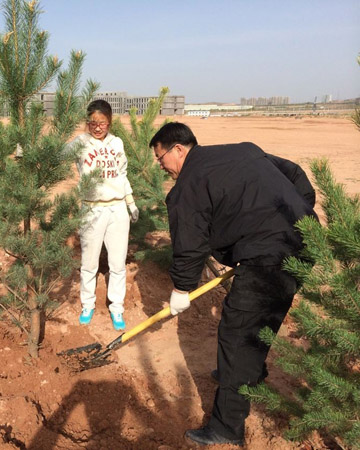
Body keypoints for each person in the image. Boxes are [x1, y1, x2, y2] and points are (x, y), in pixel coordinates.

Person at [149, 122, 317, 446]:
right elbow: (294, 174)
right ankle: (247, 376)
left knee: (237, 332)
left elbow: (189, 243)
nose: (161, 167)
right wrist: (302, 215)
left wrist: (181, 290)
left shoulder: (188, 184)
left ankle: (226, 428)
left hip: (267, 253)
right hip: (304, 243)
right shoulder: (244, 150)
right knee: (264, 318)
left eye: (160, 158)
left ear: (178, 149)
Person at [70, 99, 139, 331]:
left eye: (102, 123)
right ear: (87, 123)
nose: (97, 127)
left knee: (117, 263)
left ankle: (116, 307)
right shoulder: (80, 143)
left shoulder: (117, 143)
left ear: (109, 122)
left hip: (117, 209)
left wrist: (130, 202)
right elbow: (54, 155)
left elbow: (122, 174)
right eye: (93, 122)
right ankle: (87, 305)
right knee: (89, 262)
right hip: (92, 209)